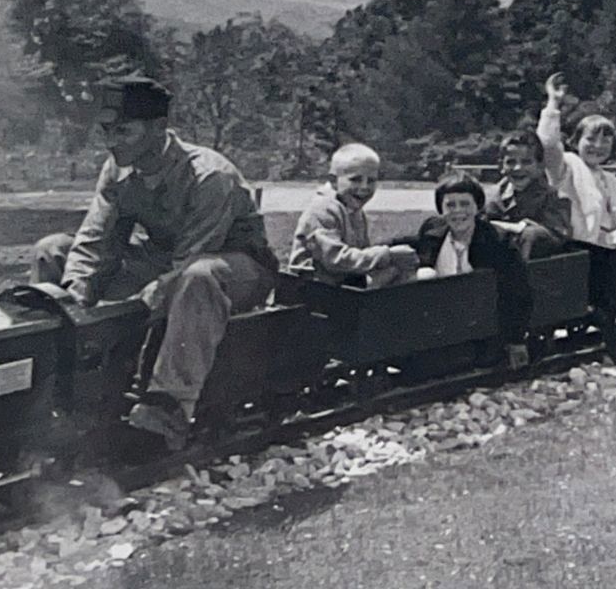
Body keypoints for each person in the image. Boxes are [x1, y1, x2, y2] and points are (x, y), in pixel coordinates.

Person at [29, 75, 277, 455]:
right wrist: (71, 301)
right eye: (107, 131)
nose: (112, 142)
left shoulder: (210, 176)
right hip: (163, 259)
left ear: (159, 128)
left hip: (236, 268)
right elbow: (96, 239)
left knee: (197, 277)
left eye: (123, 131)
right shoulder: (117, 169)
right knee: (54, 250)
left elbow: (190, 260)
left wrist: (132, 313)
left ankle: (166, 411)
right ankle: (58, 386)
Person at [411, 173, 533, 367]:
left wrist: (516, 340)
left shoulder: (497, 241)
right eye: (450, 205)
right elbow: (408, 244)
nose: (458, 212)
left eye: (465, 204)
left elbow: (517, 291)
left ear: (477, 207)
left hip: (482, 325)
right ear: (441, 209)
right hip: (438, 323)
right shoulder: (432, 230)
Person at [535, 73, 616, 247]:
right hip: (579, 244)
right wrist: (553, 102)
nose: (597, 146)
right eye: (590, 139)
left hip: (609, 245)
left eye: (605, 141)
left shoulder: (614, 183)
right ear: (576, 141)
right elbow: (547, 144)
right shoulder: (566, 167)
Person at [286, 143, 419, 288]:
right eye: (355, 179)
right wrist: (386, 255)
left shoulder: (354, 210)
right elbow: (335, 259)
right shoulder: (323, 210)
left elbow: (361, 256)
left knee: (414, 274)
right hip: (312, 289)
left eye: (371, 181)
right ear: (333, 181)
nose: (364, 187)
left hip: (343, 284)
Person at [486, 129, 574, 258]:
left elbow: (558, 237)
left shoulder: (556, 199)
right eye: (511, 162)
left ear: (540, 165)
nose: (518, 168)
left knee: (532, 234)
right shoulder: (490, 197)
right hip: (493, 265)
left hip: (537, 269)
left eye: (526, 162)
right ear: (501, 166)